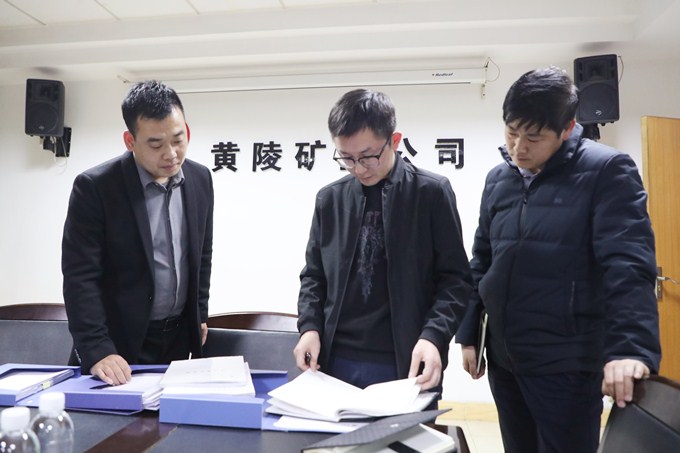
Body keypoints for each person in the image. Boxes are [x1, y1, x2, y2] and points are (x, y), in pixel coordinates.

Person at [456, 67, 661, 453]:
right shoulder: (499, 179)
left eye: (533, 137)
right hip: (504, 360)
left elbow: (628, 265)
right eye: (511, 132)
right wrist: (470, 333)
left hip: (566, 363)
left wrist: (630, 348)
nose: (518, 148)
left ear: (567, 129)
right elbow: (482, 259)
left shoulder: (606, 171)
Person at [294, 88, 473, 394]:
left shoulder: (431, 193)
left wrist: (434, 336)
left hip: (407, 359)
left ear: (394, 140)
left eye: (368, 157)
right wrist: (309, 327)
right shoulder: (330, 199)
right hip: (335, 361)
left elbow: (455, 280)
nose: (358, 168)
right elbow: (314, 276)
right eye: (346, 158)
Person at [62, 80, 214, 385]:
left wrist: (198, 314)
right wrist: (97, 348)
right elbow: (80, 277)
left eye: (178, 139)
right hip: (116, 346)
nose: (171, 154)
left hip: (177, 340)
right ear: (130, 141)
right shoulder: (96, 188)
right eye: (156, 144)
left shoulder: (200, 179)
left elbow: (202, 254)